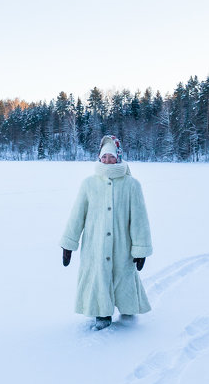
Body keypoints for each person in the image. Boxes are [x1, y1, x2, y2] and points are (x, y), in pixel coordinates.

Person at [60, 135, 153, 330]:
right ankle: (102, 313)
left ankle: (128, 306)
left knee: (124, 276)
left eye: (111, 157)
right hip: (95, 245)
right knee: (98, 276)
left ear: (118, 158)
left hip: (123, 246)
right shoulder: (88, 184)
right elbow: (77, 215)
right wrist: (68, 244)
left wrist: (140, 249)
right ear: (99, 158)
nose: (108, 161)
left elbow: (139, 220)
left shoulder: (131, 185)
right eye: (104, 157)